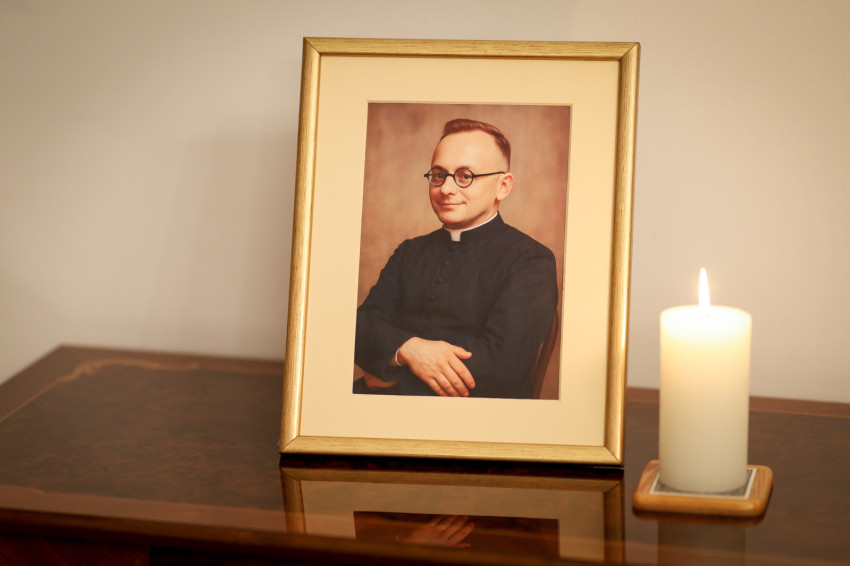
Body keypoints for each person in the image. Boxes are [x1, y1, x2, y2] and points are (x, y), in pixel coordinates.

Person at [354, 118, 558, 399]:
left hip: (480, 413)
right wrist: (408, 349)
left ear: (503, 186)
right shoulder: (409, 252)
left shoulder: (532, 260)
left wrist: (395, 378)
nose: (446, 189)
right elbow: (360, 327)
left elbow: (502, 366)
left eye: (465, 176)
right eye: (438, 175)